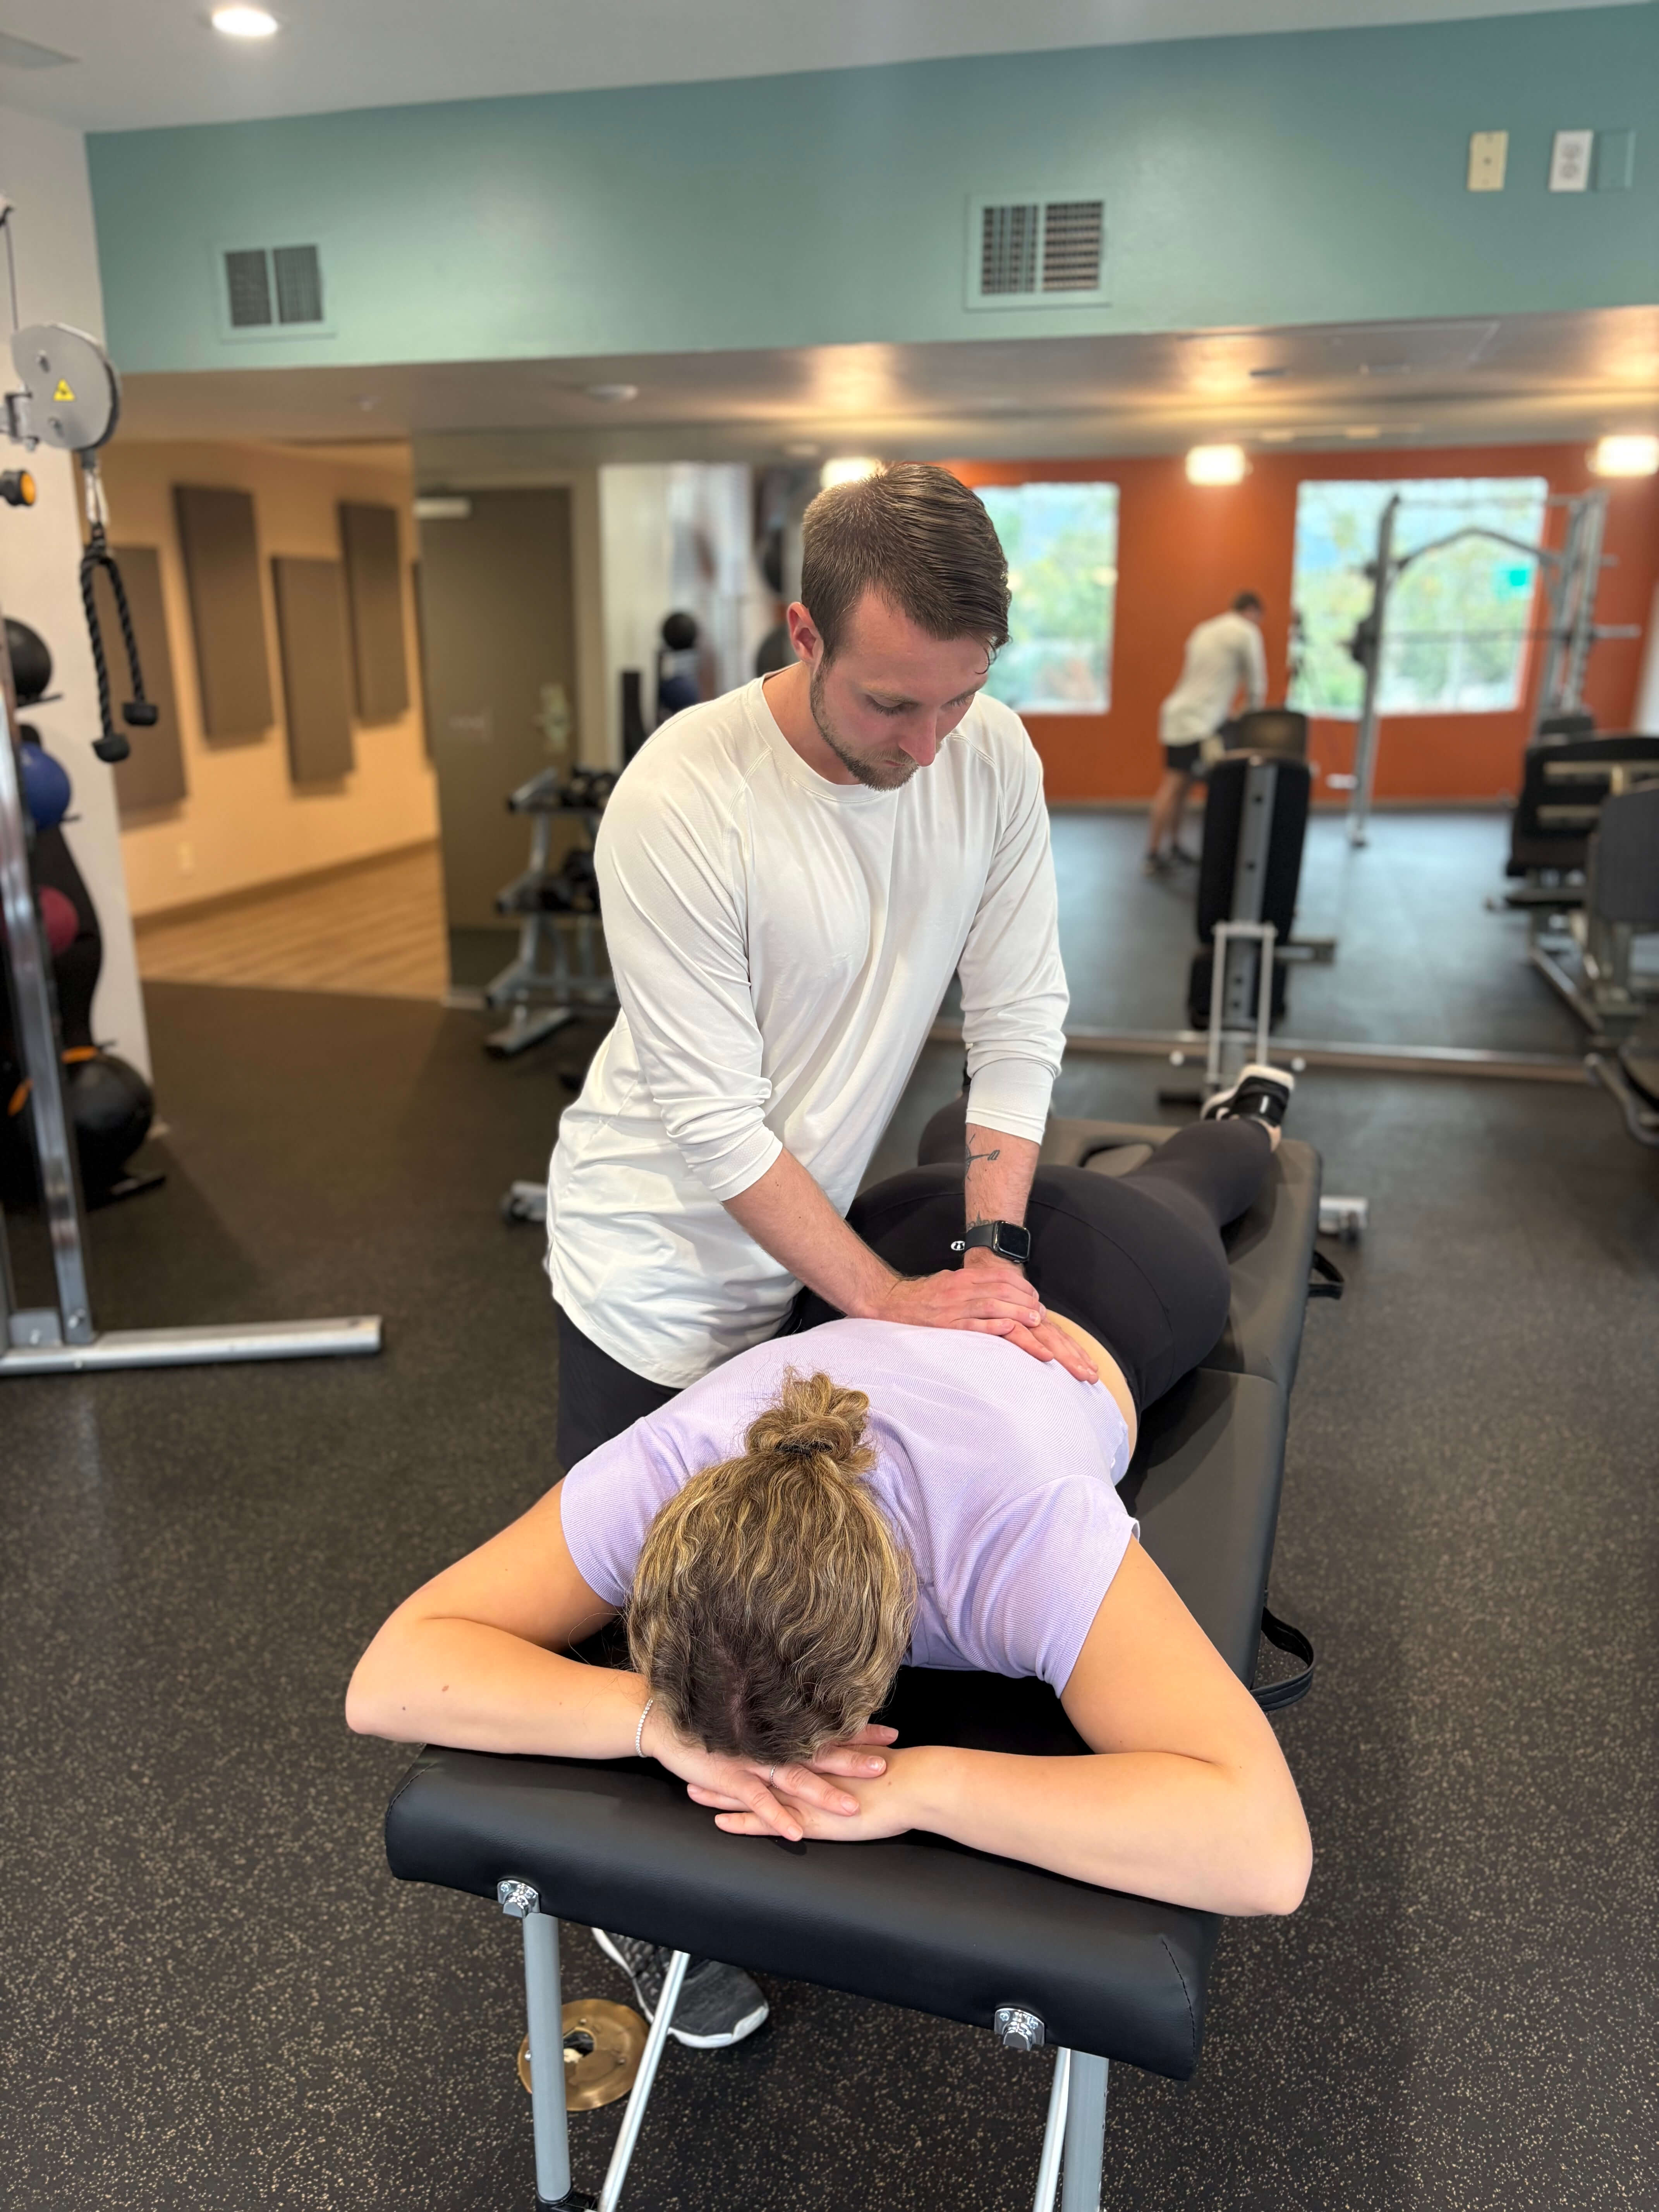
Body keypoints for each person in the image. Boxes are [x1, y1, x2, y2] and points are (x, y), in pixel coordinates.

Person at [348, 1068, 1314, 2041]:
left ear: (896, 1638)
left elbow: (1265, 1851)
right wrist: (649, 1722)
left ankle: (1246, 1117)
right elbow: (389, 1676)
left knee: (1192, 1181)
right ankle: (978, 1121)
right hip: (902, 1238)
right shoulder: (668, 1472)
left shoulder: (1013, 1539)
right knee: (953, 1157)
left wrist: (923, 1786)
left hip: (1118, 1271)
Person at [1145, 591, 1268, 875]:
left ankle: (1174, 847)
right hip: (1197, 721)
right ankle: (1151, 855)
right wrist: (1246, 720)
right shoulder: (1246, 631)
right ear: (1252, 611)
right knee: (1175, 784)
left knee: (1184, 785)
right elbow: (1257, 686)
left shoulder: (1205, 630)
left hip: (1181, 712)